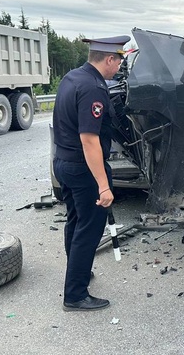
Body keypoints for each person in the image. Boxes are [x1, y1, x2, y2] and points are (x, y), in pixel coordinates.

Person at [52, 35, 130, 311]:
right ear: (109, 59)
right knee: (90, 228)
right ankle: (75, 294)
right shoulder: (94, 88)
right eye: (119, 61)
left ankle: (79, 272)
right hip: (84, 168)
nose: (119, 67)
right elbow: (89, 140)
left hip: (63, 162)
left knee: (75, 220)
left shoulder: (72, 77)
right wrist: (103, 186)